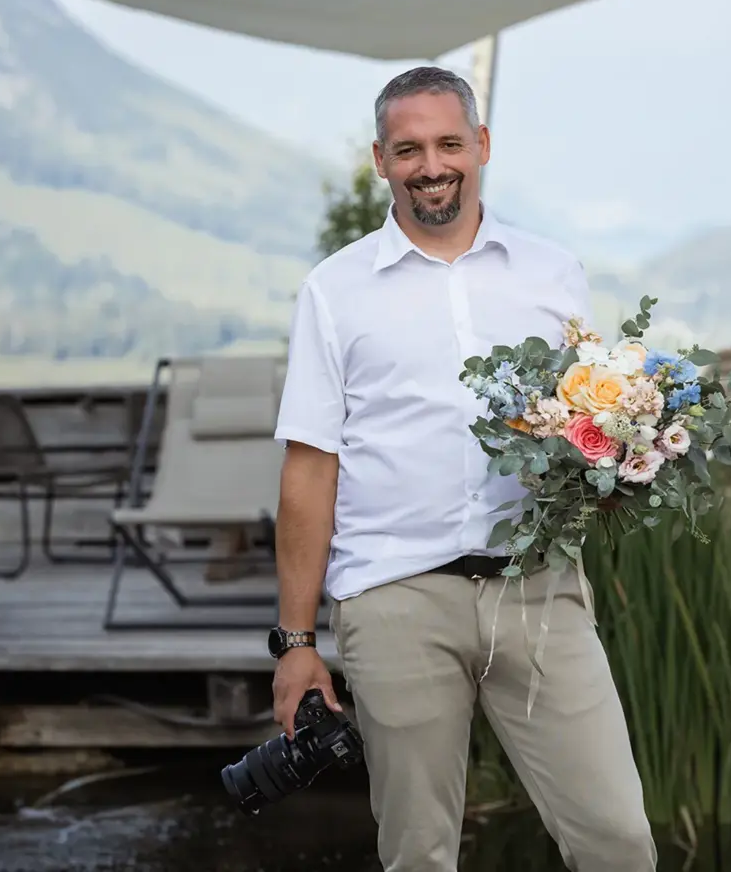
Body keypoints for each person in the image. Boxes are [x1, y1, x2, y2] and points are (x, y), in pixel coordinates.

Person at [269, 65, 657, 872]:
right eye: (408, 149)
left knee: (619, 840)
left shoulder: (552, 272)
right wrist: (296, 642)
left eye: (448, 143)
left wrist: (624, 460)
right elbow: (309, 470)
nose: (431, 165)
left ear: (481, 144)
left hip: (538, 589)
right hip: (394, 596)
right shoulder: (334, 292)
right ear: (380, 160)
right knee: (419, 855)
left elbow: (588, 420)